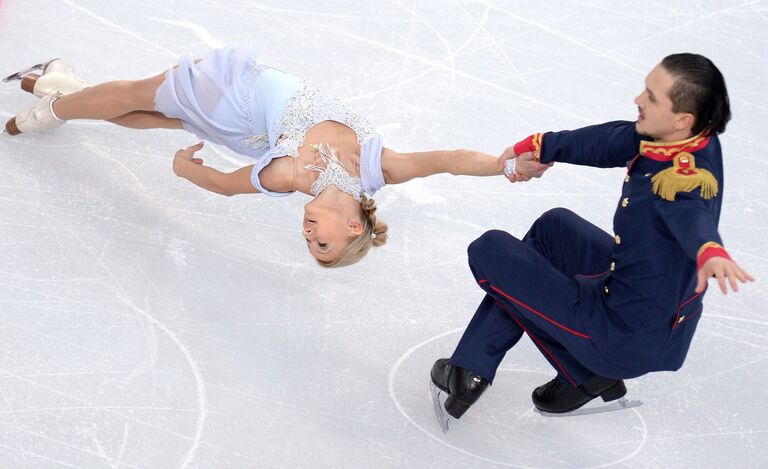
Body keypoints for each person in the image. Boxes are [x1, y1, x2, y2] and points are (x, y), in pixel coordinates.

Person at [430, 53, 754, 421]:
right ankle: (497, 369)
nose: (638, 99)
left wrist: (709, 250)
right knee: (555, 229)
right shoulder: (687, 137)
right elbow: (613, 139)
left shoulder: (684, 179)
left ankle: (494, 372)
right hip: (646, 303)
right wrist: (543, 145)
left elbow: (691, 214)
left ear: (682, 118)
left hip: (622, 335)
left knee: (491, 251)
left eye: (651, 95)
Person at [4, 47, 509, 268]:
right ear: (353, 228)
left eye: (310, 243)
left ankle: (53, 99)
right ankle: (59, 92)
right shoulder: (379, 169)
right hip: (244, 93)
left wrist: (184, 170)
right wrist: (504, 164)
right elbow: (453, 158)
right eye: (323, 244)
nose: (309, 235)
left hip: (239, 115)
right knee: (146, 99)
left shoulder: (289, 177)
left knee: (148, 102)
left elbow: (226, 185)